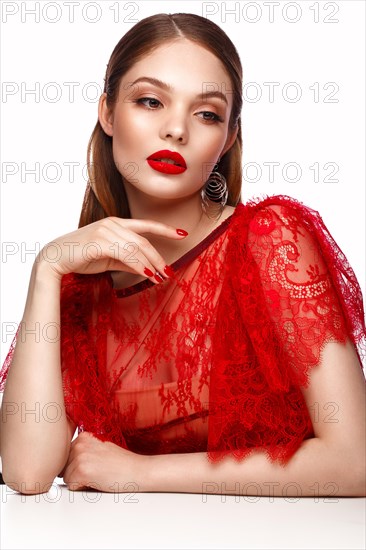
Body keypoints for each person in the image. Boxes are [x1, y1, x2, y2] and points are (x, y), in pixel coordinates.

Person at [0, 13, 365, 497]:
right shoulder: (80, 289)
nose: (175, 129)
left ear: (229, 138)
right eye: (150, 101)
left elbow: (354, 460)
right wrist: (45, 269)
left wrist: (141, 473)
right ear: (108, 113)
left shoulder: (272, 240)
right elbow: (27, 473)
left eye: (207, 113)